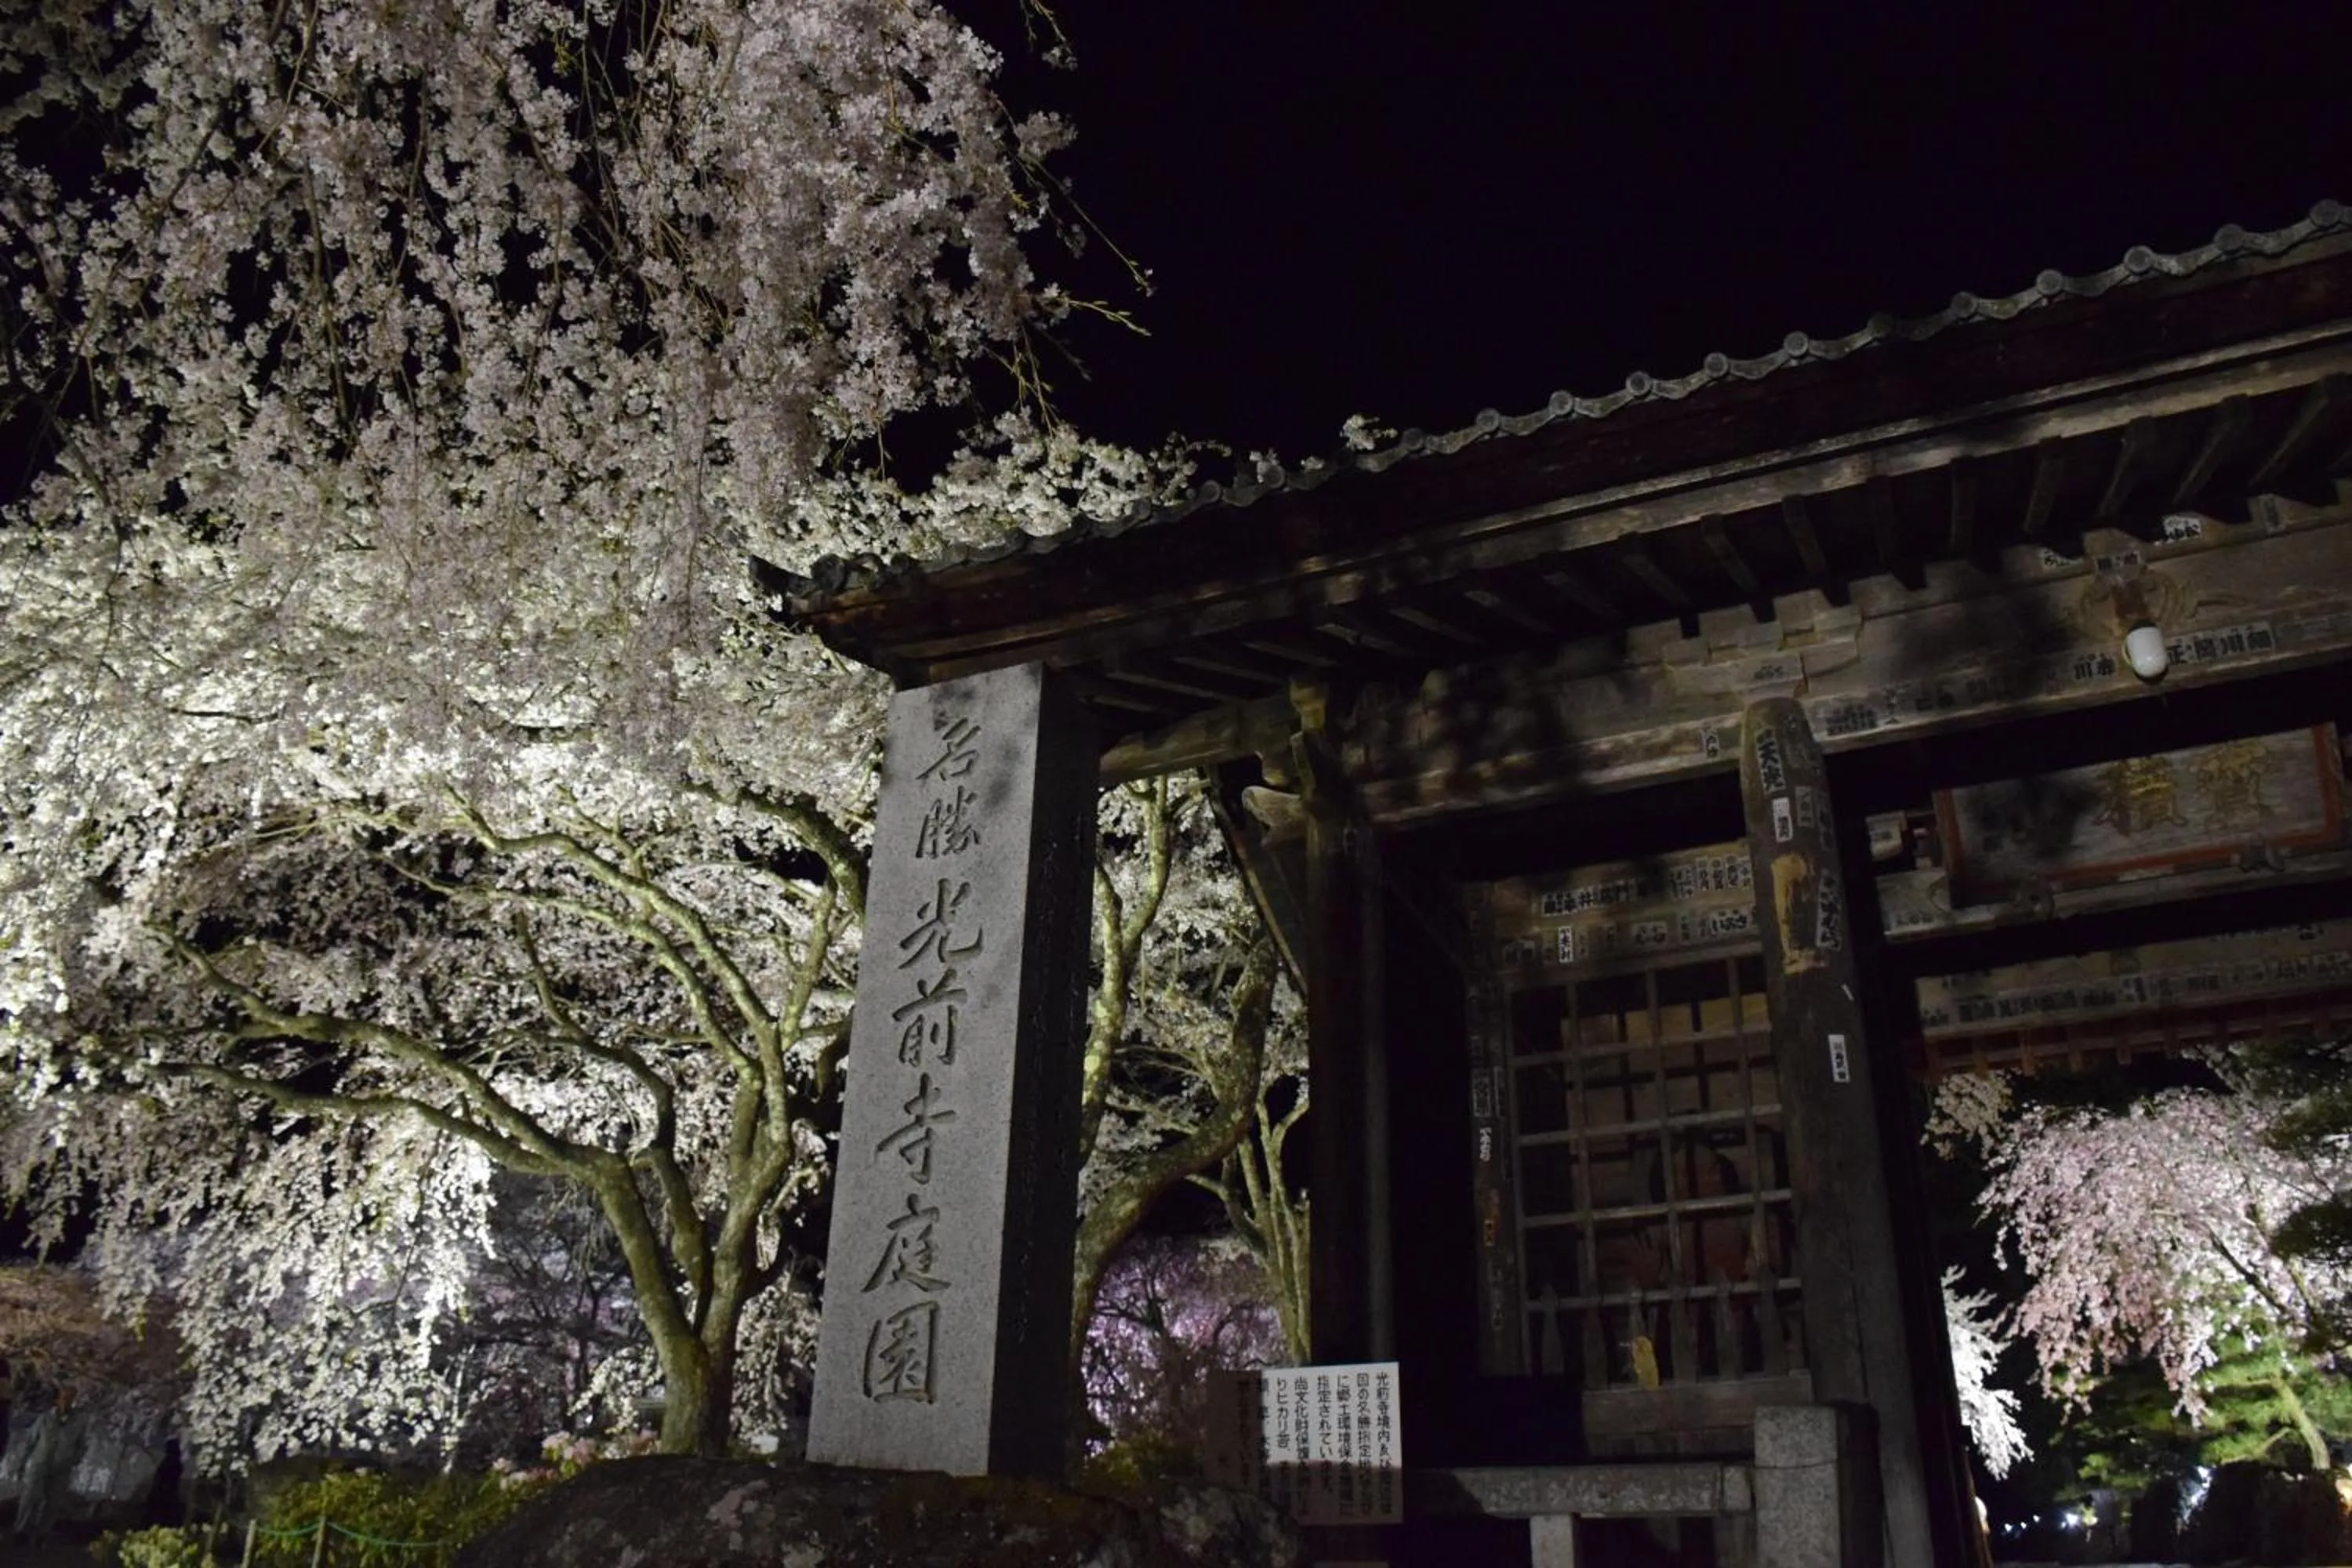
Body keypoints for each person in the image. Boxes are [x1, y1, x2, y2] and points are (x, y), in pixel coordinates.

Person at [11, 1387, 85, 1546]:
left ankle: (41, 1534)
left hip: (61, 1467)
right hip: (40, 1463)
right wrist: (22, 1463)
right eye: (65, 1398)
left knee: (53, 1502)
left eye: (71, 1398)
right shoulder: (45, 1419)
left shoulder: (78, 1422)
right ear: (58, 1399)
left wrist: (73, 1460)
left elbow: (82, 1445)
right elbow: (31, 1441)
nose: (67, 1402)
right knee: (30, 1497)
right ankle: (21, 1531)